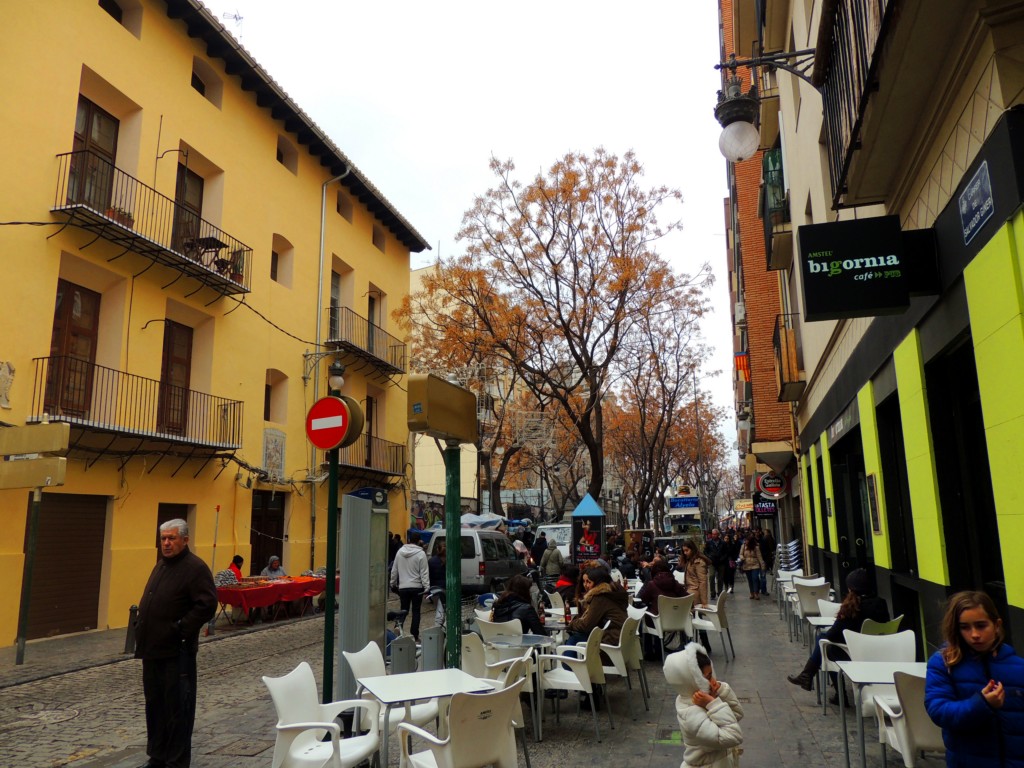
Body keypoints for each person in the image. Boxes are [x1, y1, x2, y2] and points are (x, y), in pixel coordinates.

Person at [134, 519, 217, 768]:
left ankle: (176, 761)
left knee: (177, 710)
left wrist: (180, 629)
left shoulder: (195, 568)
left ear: (185, 540)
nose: (167, 543)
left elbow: (207, 604)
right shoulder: (161, 565)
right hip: (152, 652)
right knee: (155, 708)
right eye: (163, 539)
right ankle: (157, 756)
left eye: (171, 538)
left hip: (176, 653)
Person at [925, 590, 1024, 767]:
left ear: (997, 625)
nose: (974, 634)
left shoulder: (1018, 667)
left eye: (981, 625)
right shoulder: (944, 664)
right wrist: (982, 704)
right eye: (965, 627)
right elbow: (938, 710)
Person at [786, 568, 889, 703]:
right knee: (823, 640)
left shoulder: (851, 609)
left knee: (825, 646)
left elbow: (832, 635)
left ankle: (839, 694)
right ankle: (807, 675)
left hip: (853, 654)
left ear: (851, 589)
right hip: (878, 653)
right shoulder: (881, 604)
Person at [664, 642, 744, 768]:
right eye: (707, 677)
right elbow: (733, 736)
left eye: (712, 674)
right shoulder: (691, 713)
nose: (713, 681)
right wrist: (713, 704)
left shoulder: (702, 697)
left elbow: (737, 714)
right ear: (692, 681)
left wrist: (721, 692)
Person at [564, 565, 628, 647]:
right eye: (584, 581)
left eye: (589, 582)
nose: (585, 585)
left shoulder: (600, 597)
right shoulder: (612, 592)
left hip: (610, 639)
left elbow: (586, 625)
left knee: (575, 638)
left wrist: (571, 624)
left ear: (598, 583)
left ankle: (568, 659)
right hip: (618, 636)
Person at [637, 559, 688, 659]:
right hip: (677, 620)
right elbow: (686, 597)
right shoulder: (675, 583)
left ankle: (650, 653)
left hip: (658, 621)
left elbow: (643, 599)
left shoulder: (652, 584)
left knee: (648, 616)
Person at [390, 531, 430, 642]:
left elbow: (394, 570)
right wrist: (427, 587)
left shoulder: (400, 552)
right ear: (419, 541)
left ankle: (399, 626)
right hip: (417, 587)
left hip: (403, 587)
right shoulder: (421, 554)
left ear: (408, 540)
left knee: (404, 609)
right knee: (416, 611)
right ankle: (415, 634)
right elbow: (424, 572)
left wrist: (392, 583)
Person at [677, 538, 712, 608]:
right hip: (690, 590)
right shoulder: (690, 560)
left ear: (692, 549)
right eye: (684, 551)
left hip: (695, 592)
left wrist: (704, 602)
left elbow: (703, 581)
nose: (685, 553)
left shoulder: (698, 562)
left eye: (687, 550)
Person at [737, 534, 764, 599]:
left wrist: (762, 565)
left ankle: (756, 593)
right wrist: (742, 557)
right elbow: (740, 554)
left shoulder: (756, 547)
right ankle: (751, 593)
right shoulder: (743, 546)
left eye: (747, 540)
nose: (746, 541)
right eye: (745, 540)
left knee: (755, 578)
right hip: (746, 565)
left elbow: (759, 556)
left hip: (755, 565)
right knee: (750, 580)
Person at [427, 542, 446, 628]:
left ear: (437, 549)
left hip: (434, 589)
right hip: (445, 589)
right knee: (442, 610)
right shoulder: (451, 560)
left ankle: (439, 627)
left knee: (439, 609)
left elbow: (428, 576)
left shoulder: (431, 561)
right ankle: (440, 627)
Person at [704, 529, 726, 600]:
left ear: (718, 534)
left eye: (715, 534)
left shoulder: (723, 543)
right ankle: (712, 593)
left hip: (720, 562)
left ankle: (719, 592)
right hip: (712, 562)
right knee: (711, 576)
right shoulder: (709, 542)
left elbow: (726, 552)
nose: (714, 535)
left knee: (720, 578)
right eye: (713, 534)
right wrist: (709, 557)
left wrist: (722, 558)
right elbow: (705, 551)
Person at [758, 529, 776, 596]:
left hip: (764, 559)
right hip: (766, 559)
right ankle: (762, 589)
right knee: (762, 575)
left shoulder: (765, 539)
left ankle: (762, 589)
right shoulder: (769, 538)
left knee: (762, 575)